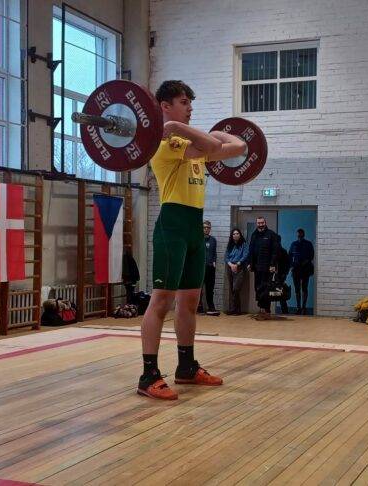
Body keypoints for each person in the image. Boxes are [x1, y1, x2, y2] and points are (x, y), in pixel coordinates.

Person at [137, 80, 247, 400]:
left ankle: (186, 367)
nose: (190, 108)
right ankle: (148, 375)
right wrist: (174, 129)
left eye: (190, 103)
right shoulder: (163, 144)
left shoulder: (187, 142)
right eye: (184, 102)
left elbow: (239, 147)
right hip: (172, 226)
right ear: (165, 106)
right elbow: (213, 147)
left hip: (194, 227)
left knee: (189, 302)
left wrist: (203, 131)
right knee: (161, 301)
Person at [247, 216, 281, 320]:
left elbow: (275, 251)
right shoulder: (254, 235)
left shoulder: (271, 235)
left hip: (267, 268)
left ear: (265, 223)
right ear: (256, 224)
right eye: (259, 223)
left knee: (266, 289)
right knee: (258, 289)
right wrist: (250, 263)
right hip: (257, 268)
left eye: (262, 223)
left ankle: (267, 311)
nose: (260, 225)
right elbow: (251, 250)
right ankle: (261, 310)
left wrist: (273, 265)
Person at [196, 220, 220, 316]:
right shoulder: (197, 239)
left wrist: (214, 261)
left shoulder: (213, 240)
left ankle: (211, 307)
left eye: (208, 227)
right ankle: (199, 307)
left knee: (210, 289)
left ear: (210, 229)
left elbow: (214, 253)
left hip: (210, 267)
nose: (206, 229)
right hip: (199, 268)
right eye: (204, 227)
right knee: (199, 289)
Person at [289, 228, 315, 314]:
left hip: (305, 269)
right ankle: (298, 307)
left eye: (301, 235)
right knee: (297, 289)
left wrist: (305, 262)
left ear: (303, 235)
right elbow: (290, 256)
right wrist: (292, 266)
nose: (299, 236)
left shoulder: (308, 244)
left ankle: (303, 307)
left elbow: (311, 255)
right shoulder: (294, 244)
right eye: (298, 235)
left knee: (304, 288)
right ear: (297, 235)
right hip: (296, 269)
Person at [224, 228, 249, 315]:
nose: (235, 235)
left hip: (239, 267)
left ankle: (235, 309)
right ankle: (235, 309)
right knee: (232, 288)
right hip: (230, 267)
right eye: (234, 234)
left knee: (236, 288)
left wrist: (237, 264)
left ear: (240, 235)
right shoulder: (230, 245)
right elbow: (226, 257)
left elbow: (245, 255)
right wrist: (231, 265)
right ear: (232, 236)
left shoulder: (244, 244)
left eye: (237, 233)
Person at [273, 244, 291, 314]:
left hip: (280, 274)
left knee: (280, 291)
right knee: (279, 291)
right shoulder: (281, 251)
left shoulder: (282, 252)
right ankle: (285, 310)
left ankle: (284, 310)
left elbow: (287, 264)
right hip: (279, 274)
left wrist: (284, 273)